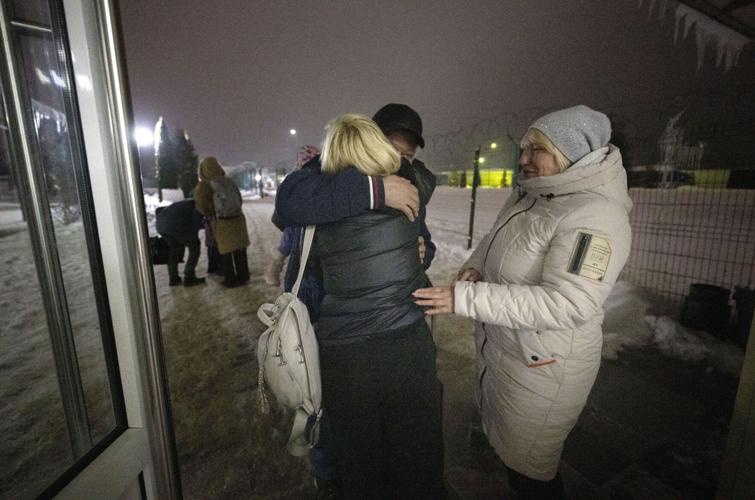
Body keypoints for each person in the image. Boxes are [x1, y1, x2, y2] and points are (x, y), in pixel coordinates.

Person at [413, 105, 632, 500]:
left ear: (571, 154)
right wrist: (475, 267)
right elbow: (494, 240)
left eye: (538, 149)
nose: (524, 158)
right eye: (525, 148)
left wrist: (464, 297)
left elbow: (568, 303)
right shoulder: (532, 195)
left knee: (533, 473)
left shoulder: (595, 216)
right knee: (515, 456)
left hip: (545, 368)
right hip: (512, 353)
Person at [273, 104, 437, 498]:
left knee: (368, 449)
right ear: (371, 142)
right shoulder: (325, 185)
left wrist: (420, 251)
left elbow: (424, 238)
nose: (398, 162)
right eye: (391, 150)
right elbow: (290, 203)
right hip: (339, 327)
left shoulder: (406, 185)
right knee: (377, 442)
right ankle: (332, 477)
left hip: (358, 343)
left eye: (407, 156)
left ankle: (340, 480)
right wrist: (373, 189)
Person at [264, 145, 321, 287]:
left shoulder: (296, 179)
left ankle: (275, 267)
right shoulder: (319, 178)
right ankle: (275, 268)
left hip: (300, 228)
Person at [193, 157, 250, 288]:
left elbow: (202, 205)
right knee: (240, 250)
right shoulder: (229, 181)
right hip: (238, 220)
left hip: (222, 222)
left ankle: (230, 279)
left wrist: (210, 213)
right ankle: (243, 276)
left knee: (226, 252)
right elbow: (239, 200)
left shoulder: (204, 185)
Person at [155, 198, 205, 287]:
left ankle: (173, 278)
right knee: (195, 248)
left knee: (174, 250)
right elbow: (195, 224)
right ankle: (189, 277)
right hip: (175, 226)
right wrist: (194, 238)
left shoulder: (187, 203)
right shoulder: (198, 205)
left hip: (161, 226)